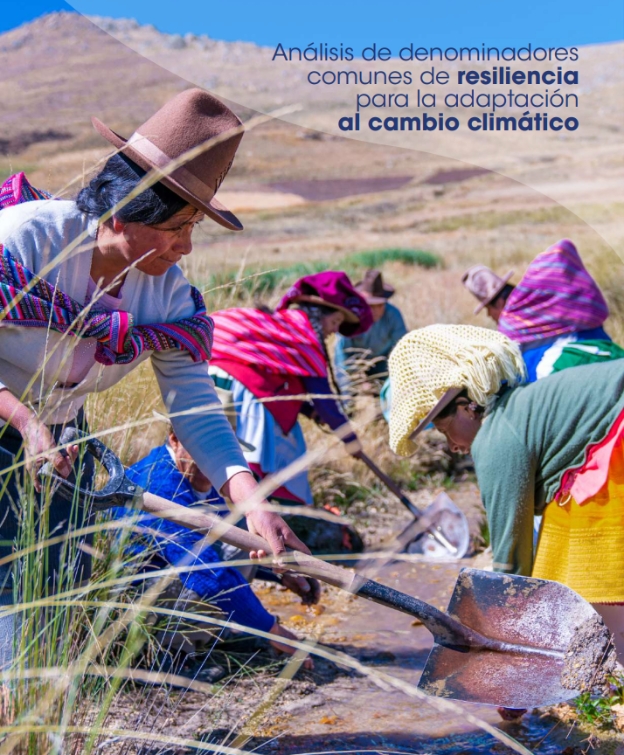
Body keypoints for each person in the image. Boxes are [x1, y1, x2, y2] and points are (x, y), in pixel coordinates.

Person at [0, 89, 310, 664]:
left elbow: (193, 406)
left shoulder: (165, 292)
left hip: (58, 440)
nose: (186, 246)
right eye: (178, 226)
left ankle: (32, 731)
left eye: (195, 227)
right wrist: (21, 420)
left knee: (52, 585)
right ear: (124, 209)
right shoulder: (23, 242)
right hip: (13, 427)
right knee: (10, 590)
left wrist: (253, 502)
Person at [387, 324, 624, 668]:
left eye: (444, 430)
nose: (452, 446)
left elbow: (511, 557)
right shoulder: (521, 408)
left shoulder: (496, 438)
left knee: (595, 578)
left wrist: (505, 659)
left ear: (468, 407)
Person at [114, 429, 320, 663]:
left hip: (169, 576)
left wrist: (281, 575)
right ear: (174, 438)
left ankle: (207, 636)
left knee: (239, 534)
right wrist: (272, 629)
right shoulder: (160, 485)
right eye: (201, 449)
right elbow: (207, 574)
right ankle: (174, 653)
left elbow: (224, 544)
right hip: (135, 600)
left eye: (220, 451)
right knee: (211, 577)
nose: (210, 460)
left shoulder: (198, 477)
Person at [208, 271, 372, 504]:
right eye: (334, 321)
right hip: (246, 394)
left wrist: (308, 410)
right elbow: (322, 397)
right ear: (317, 315)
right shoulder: (304, 336)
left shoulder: (282, 328)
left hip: (215, 383)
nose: (334, 330)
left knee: (220, 461)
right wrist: (350, 440)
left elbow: (281, 379)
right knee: (258, 467)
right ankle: (268, 516)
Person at [463, 240, 611, 381]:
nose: (489, 315)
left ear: (500, 303)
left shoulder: (512, 328)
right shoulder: (560, 309)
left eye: (488, 308)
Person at [334, 269, 407, 397]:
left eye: (380, 305)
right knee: (346, 395)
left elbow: (402, 348)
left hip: (381, 361)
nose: (376, 310)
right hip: (350, 363)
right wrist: (358, 378)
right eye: (371, 305)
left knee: (388, 393)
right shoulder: (350, 318)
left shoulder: (393, 315)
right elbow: (343, 355)